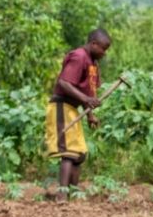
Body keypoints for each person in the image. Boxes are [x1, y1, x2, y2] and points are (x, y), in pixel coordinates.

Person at [44, 29, 111, 202]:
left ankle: (73, 194)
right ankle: (62, 195)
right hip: (61, 106)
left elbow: (83, 90)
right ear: (94, 44)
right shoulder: (79, 56)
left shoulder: (93, 64)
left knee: (80, 154)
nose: (105, 53)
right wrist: (86, 99)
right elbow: (64, 83)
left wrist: (90, 115)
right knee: (70, 152)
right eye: (103, 49)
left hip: (72, 108)